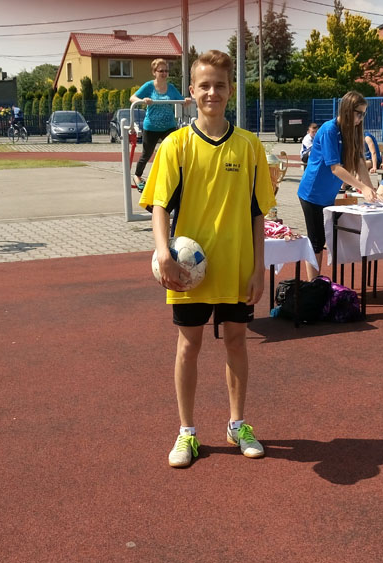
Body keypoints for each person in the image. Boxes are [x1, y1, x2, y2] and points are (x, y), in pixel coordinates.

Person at [139, 50, 276, 469]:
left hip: (236, 265)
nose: (212, 92)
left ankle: (237, 424)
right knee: (189, 345)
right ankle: (187, 432)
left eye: (219, 85)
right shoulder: (175, 145)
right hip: (188, 271)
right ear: (192, 91)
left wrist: (258, 268)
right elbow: (159, 204)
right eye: (204, 85)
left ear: (230, 90)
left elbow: (258, 213)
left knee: (236, 342)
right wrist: (162, 252)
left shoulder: (249, 146)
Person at [296, 91, 382, 280]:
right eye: (359, 113)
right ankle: (313, 285)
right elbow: (335, 168)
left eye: (364, 114)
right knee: (316, 241)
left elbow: (359, 162)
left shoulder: (353, 131)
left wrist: (370, 189)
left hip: (327, 194)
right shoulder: (329, 130)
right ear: (347, 110)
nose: (361, 119)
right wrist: (362, 188)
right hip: (312, 193)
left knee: (324, 239)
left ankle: (316, 283)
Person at [130, 58, 191, 192]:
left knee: (175, 151)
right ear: (154, 72)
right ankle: (137, 176)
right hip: (151, 127)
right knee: (147, 153)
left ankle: (174, 177)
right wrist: (143, 100)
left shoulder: (170, 88)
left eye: (166, 71)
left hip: (168, 126)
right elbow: (132, 98)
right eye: (161, 71)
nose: (164, 73)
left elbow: (181, 101)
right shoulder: (149, 86)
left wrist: (186, 100)